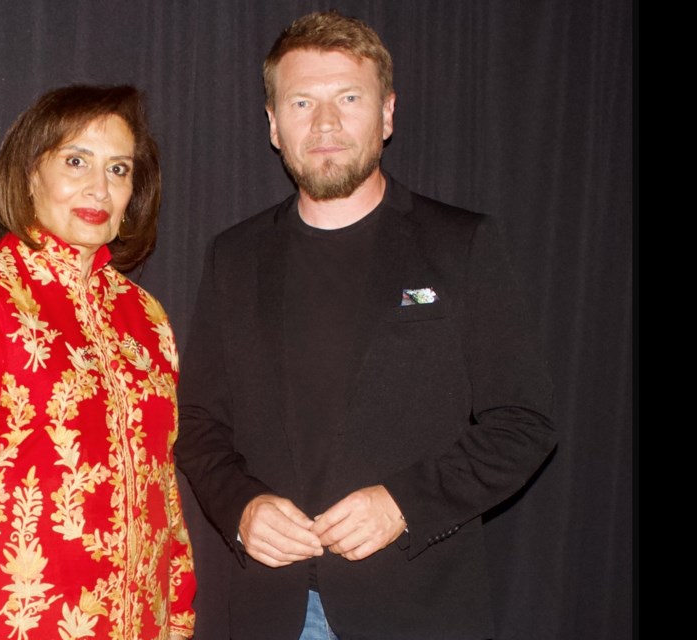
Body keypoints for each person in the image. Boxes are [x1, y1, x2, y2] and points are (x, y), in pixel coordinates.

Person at [175, 11, 556, 640]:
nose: (325, 124)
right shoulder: (233, 257)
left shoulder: (462, 245)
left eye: (349, 98)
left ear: (386, 114)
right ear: (274, 124)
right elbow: (199, 423)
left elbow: (524, 422)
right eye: (302, 101)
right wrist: (241, 509)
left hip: (418, 609)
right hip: (266, 610)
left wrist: (403, 505)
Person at [0, 85, 195, 640]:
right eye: (76, 160)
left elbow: (165, 497)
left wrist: (178, 618)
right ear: (29, 173)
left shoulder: (145, 317)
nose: (98, 187)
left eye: (118, 169)